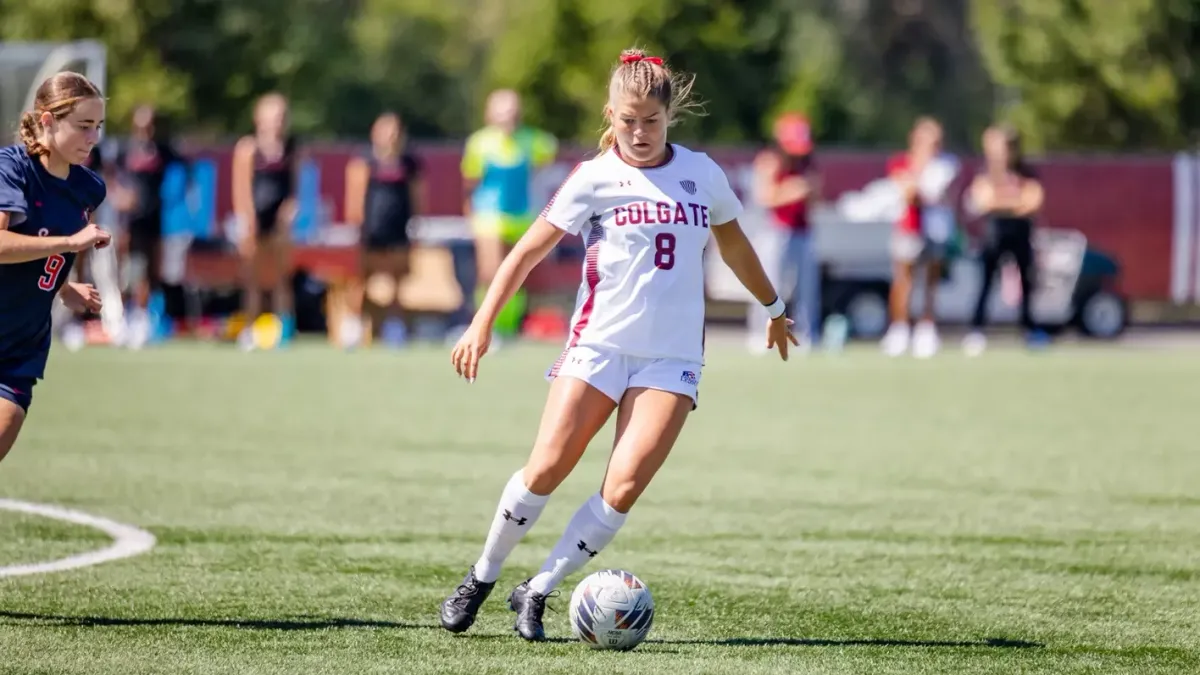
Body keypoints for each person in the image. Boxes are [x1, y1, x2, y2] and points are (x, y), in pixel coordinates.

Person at [439, 49, 796, 642]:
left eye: (651, 121)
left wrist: (775, 308)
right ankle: (481, 575)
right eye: (628, 120)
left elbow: (735, 247)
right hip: (599, 346)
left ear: (669, 116)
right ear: (612, 114)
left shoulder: (702, 174)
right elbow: (527, 250)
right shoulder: (594, 176)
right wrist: (482, 321)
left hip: (672, 358)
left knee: (624, 484)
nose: (639, 133)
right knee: (547, 468)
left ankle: (540, 589)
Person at [0, 71, 112, 464]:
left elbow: (44, 253)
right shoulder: (10, 169)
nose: (93, 138)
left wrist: (65, 288)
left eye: (97, 126)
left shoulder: (89, 188)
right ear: (47, 120)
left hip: (21, 342)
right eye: (83, 126)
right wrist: (71, 243)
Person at [461, 89, 557, 339]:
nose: (508, 116)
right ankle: (484, 327)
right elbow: (471, 182)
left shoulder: (532, 140)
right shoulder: (479, 143)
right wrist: (469, 215)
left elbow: (547, 157)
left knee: (517, 273)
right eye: (502, 110)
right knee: (490, 272)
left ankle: (508, 328)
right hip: (488, 216)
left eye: (512, 110)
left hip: (522, 215)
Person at [962, 125, 1046, 355]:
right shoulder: (986, 173)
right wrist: (1013, 202)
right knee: (986, 284)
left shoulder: (1026, 173)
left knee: (1026, 284)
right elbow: (983, 201)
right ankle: (976, 330)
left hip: (1021, 234)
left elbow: (1033, 201)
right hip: (994, 235)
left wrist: (1004, 201)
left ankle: (1029, 329)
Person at [342, 112, 423, 347]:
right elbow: (355, 197)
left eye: (395, 131)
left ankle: (394, 327)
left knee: (397, 281)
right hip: (371, 230)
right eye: (386, 130)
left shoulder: (410, 163)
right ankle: (353, 327)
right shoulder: (364, 160)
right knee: (359, 279)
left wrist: (416, 224)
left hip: (398, 228)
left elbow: (418, 196)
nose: (391, 136)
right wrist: (356, 226)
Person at [880, 117, 959, 358]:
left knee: (931, 282)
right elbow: (911, 193)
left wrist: (919, 189)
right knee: (904, 280)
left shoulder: (947, 164)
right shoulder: (901, 162)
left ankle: (926, 329)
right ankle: (900, 328)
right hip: (908, 228)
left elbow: (934, 192)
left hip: (936, 229)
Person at [746, 112, 821, 353]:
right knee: (769, 285)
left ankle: (808, 335)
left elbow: (817, 197)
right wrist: (791, 191)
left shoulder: (808, 165)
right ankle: (759, 332)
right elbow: (763, 196)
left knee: (807, 288)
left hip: (803, 231)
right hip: (776, 231)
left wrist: (809, 190)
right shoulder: (770, 161)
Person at [232, 92, 299, 350]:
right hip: (254, 219)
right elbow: (242, 187)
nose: (277, 122)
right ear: (259, 118)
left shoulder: (291, 150)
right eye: (272, 116)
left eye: (281, 117)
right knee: (253, 278)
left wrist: (289, 211)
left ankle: (285, 329)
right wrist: (248, 219)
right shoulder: (249, 147)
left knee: (282, 276)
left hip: (279, 223)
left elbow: (293, 188)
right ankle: (249, 329)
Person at [114, 104, 184, 348]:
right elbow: (110, 177)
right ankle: (121, 321)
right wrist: (119, 196)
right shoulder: (125, 149)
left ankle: (143, 320)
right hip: (129, 221)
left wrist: (174, 197)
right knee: (126, 271)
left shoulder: (162, 150)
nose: (146, 129)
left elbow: (187, 170)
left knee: (148, 271)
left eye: (150, 124)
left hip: (153, 218)